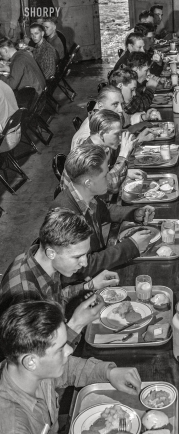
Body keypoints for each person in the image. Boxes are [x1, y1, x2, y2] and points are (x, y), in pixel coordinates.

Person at [0, 300, 142, 434]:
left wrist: (110, 372)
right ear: (31, 362)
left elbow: (70, 369)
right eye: (60, 349)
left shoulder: (32, 371)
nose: (69, 350)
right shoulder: (13, 426)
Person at [0, 208, 120, 348]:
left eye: (85, 254)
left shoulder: (41, 259)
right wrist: (76, 323)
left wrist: (89, 285)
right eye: (77, 257)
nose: (85, 263)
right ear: (51, 253)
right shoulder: (26, 299)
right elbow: (41, 361)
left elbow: (53, 298)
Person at [52, 144, 156, 279]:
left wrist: (134, 213)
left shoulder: (84, 194)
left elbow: (105, 210)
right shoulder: (65, 216)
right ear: (89, 182)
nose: (110, 179)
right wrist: (131, 245)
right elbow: (83, 267)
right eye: (105, 175)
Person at [64, 110, 147, 194]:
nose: (120, 137)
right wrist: (124, 155)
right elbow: (111, 186)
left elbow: (105, 172)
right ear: (101, 134)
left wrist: (126, 172)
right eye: (116, 134)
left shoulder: (102, 147)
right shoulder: (89, 158)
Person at [71, 86, 156, 150]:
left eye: (122, 105)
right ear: (100, 105)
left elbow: (116, 144)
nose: (121, 110)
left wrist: (138, 139)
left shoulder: (105, 123)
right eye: (115, 104)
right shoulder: (86, 136)